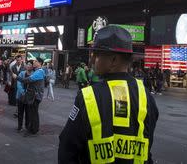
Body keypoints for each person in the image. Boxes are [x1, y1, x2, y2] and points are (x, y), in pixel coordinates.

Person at [59, 25, 159, 163]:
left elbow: (67, 149)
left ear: (113, 60)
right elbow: (148, 142)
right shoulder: (146, 96)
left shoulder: (89, 96)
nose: (93, 60)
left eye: (97, 54)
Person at [13, 57, 45, 136]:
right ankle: (33, 129)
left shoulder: (39, 72)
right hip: (33, 96)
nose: (34, 63)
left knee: (33, 113)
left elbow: (29, 80)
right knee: (33, 113)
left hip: (35, 96)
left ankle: (33, 130)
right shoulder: (37, 71)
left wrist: (17, 77)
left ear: (40, 63)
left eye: (35, 61)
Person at [16, 62, 33, 132]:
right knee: (20, 113)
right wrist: (23, 92)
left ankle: (26, 126)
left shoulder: (34, 74)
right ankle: (19, 126)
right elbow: (19, 83)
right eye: (27, 64)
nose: (28, 66)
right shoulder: (22, 73)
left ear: (32, 67)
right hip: (21, 96)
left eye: (30, 65)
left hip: (29, 97)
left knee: (28, 113)